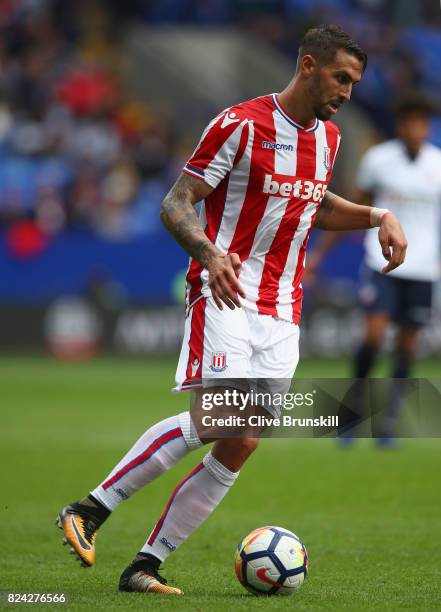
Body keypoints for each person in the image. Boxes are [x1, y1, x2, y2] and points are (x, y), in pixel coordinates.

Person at [56, 24, 407, 595]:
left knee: (241, 440)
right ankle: (89, 509)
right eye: (341, 77)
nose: (348, 91)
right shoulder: (240, 124)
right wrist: (209, 251)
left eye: (355, 82)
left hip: (283, 307)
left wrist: (376, 216)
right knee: (222, 419)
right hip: (224, 289)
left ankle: (145, 564)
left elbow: (312, 206)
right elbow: (177, 203)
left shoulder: (329, 140)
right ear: (308, 66)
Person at [306, 93, 440, 444]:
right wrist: (319, 255)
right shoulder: (379, 161)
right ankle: (351, 415)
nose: (417, 129)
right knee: (374, 335)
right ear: (400, 125)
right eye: (411, 122)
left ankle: (388, 423)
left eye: (422, 123)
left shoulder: (438, 165)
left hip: (424, 269)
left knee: (408, 346)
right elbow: (353, 208)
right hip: (380, 263)